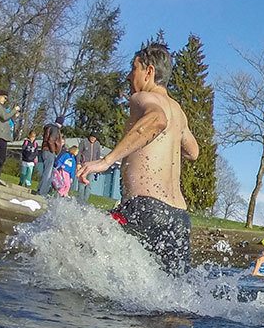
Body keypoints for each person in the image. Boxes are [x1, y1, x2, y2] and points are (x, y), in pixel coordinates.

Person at [77, 43, 201, 276]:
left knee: (81, 243)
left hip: (145, 208)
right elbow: (193, 152)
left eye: (133, 68)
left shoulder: (143, 98)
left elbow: (156, 120)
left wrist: (106, 161)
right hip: (179, 219)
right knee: (172, 295)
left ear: (149, 71)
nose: (128, 75)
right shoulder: (179, 112)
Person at [0, 90, 20, 184]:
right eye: (5, 98)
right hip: (0, 134)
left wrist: (14, 116)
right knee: (0, 156)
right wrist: (14, 110)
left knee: (1, 157)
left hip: (3, 134)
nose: (6, 100)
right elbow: (5, 116)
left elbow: (6, 118)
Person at [36, 120, 63, 196]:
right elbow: (51, 140)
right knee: (48, 173)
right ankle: (42, 192)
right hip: (49, 151)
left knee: (47, 173)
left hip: (45, 150)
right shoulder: (55, 129)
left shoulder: (48, 127)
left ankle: (41, 190)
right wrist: (53, 150)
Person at [75, 134, 101, 202]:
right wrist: (78, 163)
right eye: (92, 137)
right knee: (82, 184)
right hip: (84, 166)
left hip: (92, 167)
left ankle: (85, 201)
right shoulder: (84, 142)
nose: (93, 138)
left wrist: (98, 168)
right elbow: (78, 153)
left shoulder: (97, 144)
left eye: (94, 137)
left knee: (89, 185)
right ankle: (79, 201)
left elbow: (98, 156)